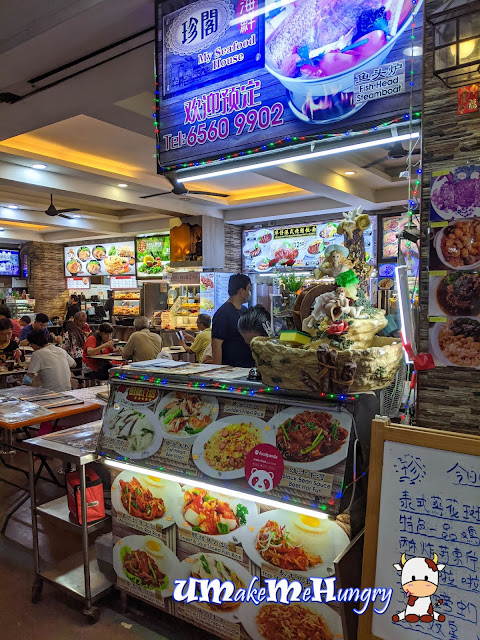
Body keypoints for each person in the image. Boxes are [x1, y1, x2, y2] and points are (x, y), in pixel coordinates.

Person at [211, 274, 254, 367]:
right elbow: (216, 344)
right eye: (248, 289)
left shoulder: (244, 310)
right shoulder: (222, 314)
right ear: (241, 291)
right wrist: (218, 369)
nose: (249, 292)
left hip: (247, 366)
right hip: (231, 367)